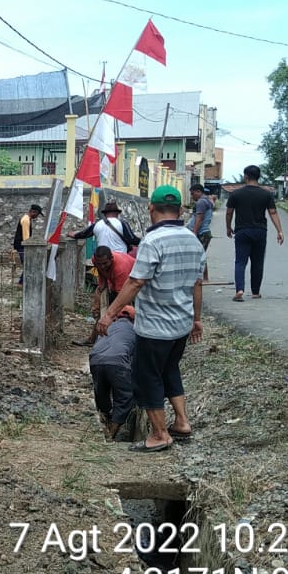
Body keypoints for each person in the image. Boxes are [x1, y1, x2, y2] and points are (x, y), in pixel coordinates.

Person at [96, 185, 205, 452]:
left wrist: (109, 314)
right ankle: (182, 422)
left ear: (151, 208)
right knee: (169, 370)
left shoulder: (152, 242)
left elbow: (135, 282)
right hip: (181, 325)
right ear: (180, 210)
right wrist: (197, 319)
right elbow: (198, 284)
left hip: (155, 327)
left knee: (147, 378)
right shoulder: (193, 239)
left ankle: (159, 434)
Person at [224, 165, 283, 301]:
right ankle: (255, 292)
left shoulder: (236, 194)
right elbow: (273, 212)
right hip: (260, 231)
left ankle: (239, 290)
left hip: (242, 231)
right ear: (259, 177)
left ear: (246, 176)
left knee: (240, 262)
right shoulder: (266, 194)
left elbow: (229, 212)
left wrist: (228, 227)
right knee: (257, 262)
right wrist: (279, 231)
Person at [90, 305, 137, 441]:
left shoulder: (106, 327)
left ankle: (104, 419)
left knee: (101, 393)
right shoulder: (135, 330)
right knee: (124, 396)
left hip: (95, 360)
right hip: (118, 361)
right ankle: (112, 432)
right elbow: (135, 360)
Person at [73, 246, 135, 346]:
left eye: (105, 263)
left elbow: (123, 299)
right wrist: (102, 287)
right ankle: (92, 340)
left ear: (111, 259)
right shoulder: (95, 260)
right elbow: (101, 273)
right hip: (115, 283)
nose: (102, 266)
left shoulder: (120, 268)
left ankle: (127, 341)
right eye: (99, 264)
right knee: (104, 313)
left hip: (132, 286)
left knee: (126, 313)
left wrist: (111, 313)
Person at [70, 201, 141, 256]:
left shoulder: (97, 224)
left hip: (102, 259)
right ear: (117, 213)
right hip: (120, 257)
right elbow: (132, 239)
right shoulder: (122, 223)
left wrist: (73, 235)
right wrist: (143, 241)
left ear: (105, 214)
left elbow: (84, 234)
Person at [187, 183, 214, 282]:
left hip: (202, 233)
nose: (192, 196)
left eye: (193, 193)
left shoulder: (201, 202)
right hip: (204, 233)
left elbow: (199, 219)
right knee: (201, 255)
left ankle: (204, 278)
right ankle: (205, 277)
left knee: (199, 255)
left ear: (199, 191)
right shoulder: (207, 201)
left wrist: (194, 232)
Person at [13, 203, 43, 285]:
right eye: (37, 214)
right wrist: (29, 247)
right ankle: (21, 283)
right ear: (33, 212)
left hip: (21, 245)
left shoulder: (27, 218)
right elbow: (26, 237)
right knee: (28, 264)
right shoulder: (26, 220)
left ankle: (22, 282)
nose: (37, 216)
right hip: (22, 246)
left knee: (27, 264)